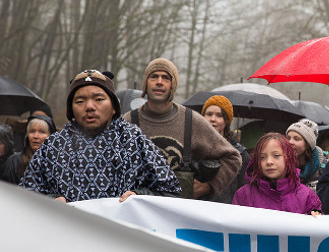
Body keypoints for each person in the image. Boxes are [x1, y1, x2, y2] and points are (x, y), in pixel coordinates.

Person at [20, 69, 181, 202]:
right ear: (71, 110)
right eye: (80, 101)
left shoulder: (133, 141)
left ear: (113, 107)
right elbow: (24, 196)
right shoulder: (53, 146)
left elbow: (171, 192)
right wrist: (51, 200)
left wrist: (139, 197)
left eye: (98, 99)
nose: (89, 106)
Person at [124, 58, 241, 199]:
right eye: (154, 76)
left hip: (178, 214)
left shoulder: (191, 121)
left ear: (173, 85)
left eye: (166, 78)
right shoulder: (128, 122)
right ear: (145, 83)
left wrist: (210, 186)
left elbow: (233, 158)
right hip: (138, 214)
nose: (159, 81)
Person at [233, 133, 322, 215]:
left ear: (288, 158)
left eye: (276, 156)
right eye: (262, 157)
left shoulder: (307, 196)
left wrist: (316, 216)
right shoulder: (244, 194)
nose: (269, 162)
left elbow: (319, 226)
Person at [201, 95, 250, 204]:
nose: (213, 119)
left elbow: (246, 190)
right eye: (209, 114)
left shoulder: (240, 153)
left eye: (219, 115)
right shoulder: (193, 148)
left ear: (226, 120)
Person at [1, 114, 56, 184]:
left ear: (51, 137)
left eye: (42, 132)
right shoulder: (14, 162)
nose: (36, 136)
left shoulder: (57, 164)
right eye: (32, 131)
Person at [286, 118, 328, 191]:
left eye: (296, 139)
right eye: (288, 138)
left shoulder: (324, 166)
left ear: (308, 144)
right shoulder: (281, 164)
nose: (290, 142)